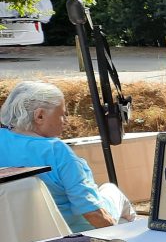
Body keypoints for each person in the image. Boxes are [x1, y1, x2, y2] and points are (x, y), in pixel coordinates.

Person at [0, 80, 135, 231]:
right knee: (112, 191)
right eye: (62, 115)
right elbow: (93, 214)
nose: (65, 121)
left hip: (22, 237)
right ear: (39, 116)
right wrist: (122, 237)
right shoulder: (56, 151)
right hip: (74, 237)